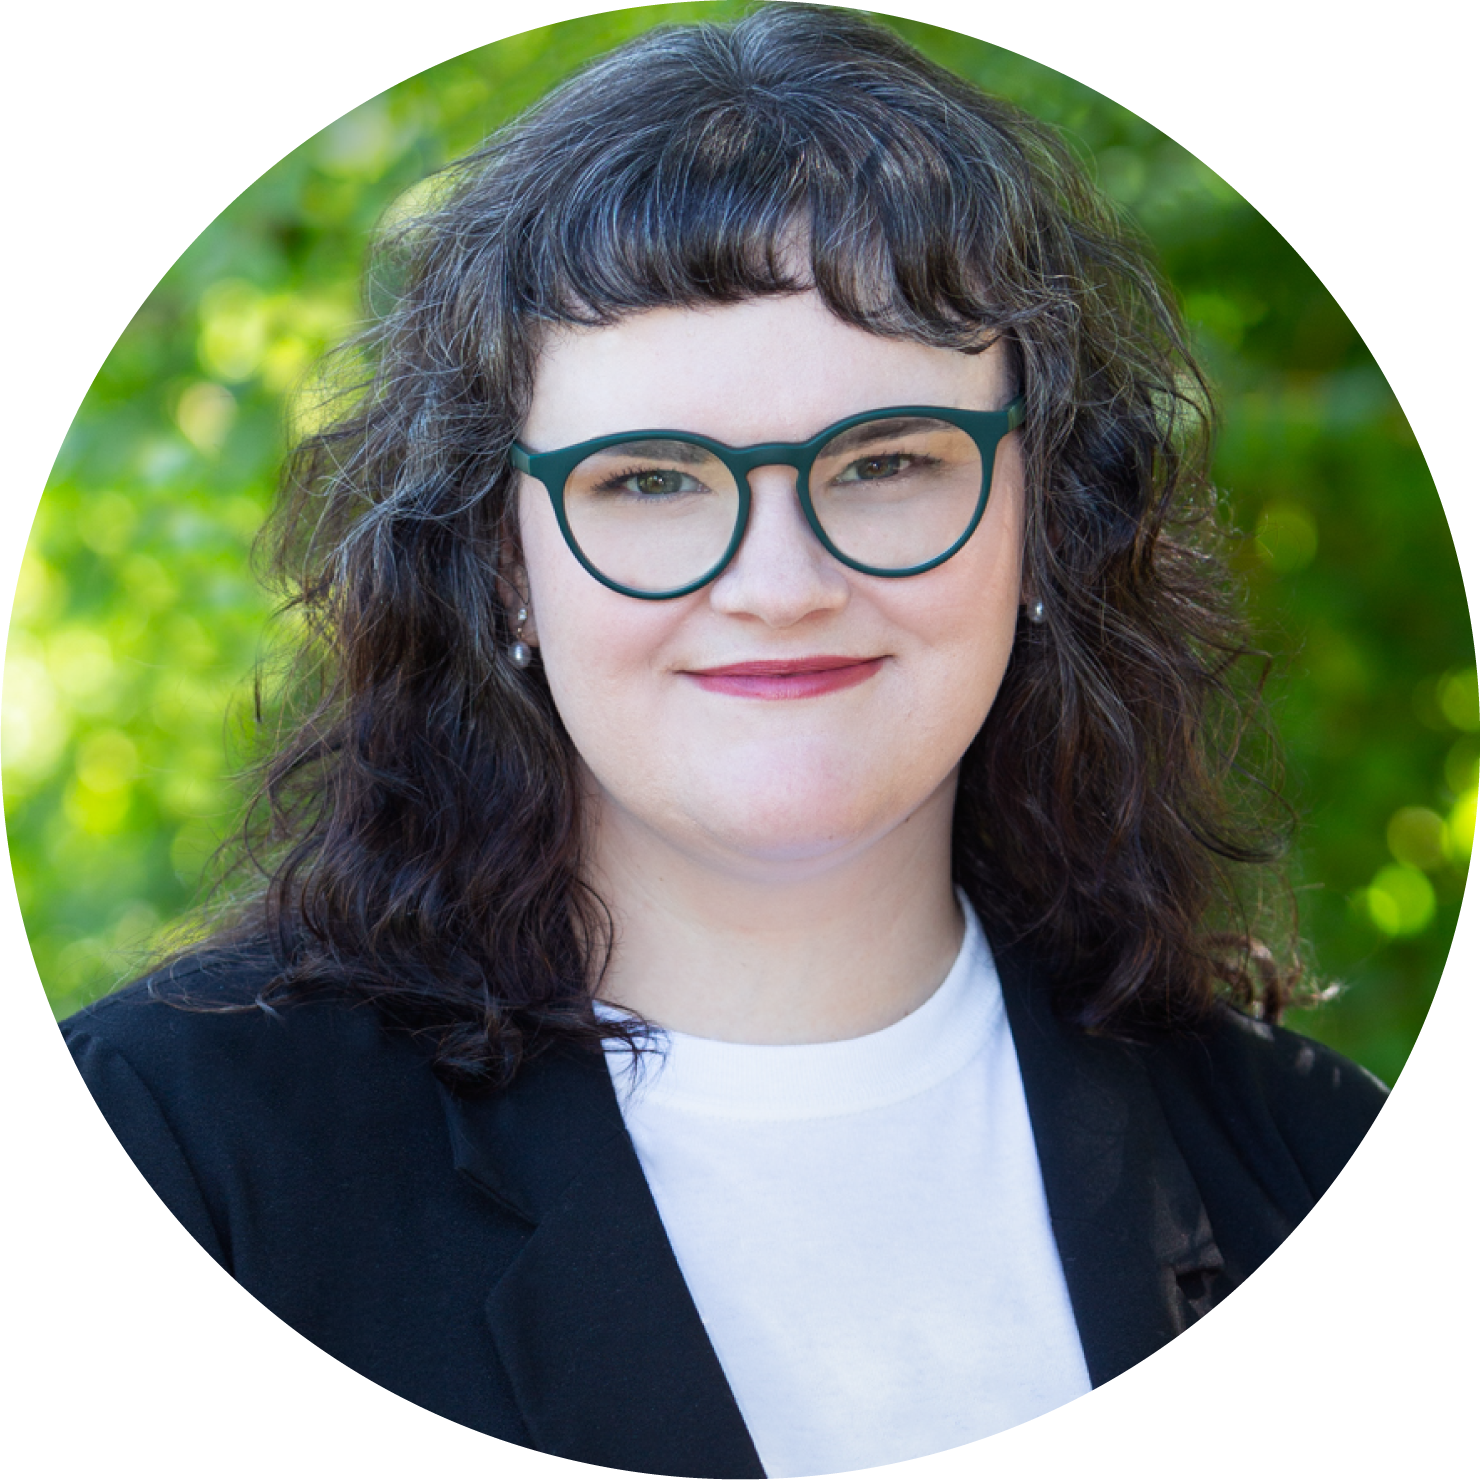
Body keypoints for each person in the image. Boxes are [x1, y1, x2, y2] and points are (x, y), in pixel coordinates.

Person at [58, 5, 1420, 1476]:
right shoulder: (164, 1166)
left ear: (1043, 520)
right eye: (651, 482)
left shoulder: (1313, 1167)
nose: (780, 584)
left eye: (887, 463)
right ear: (506, 561)